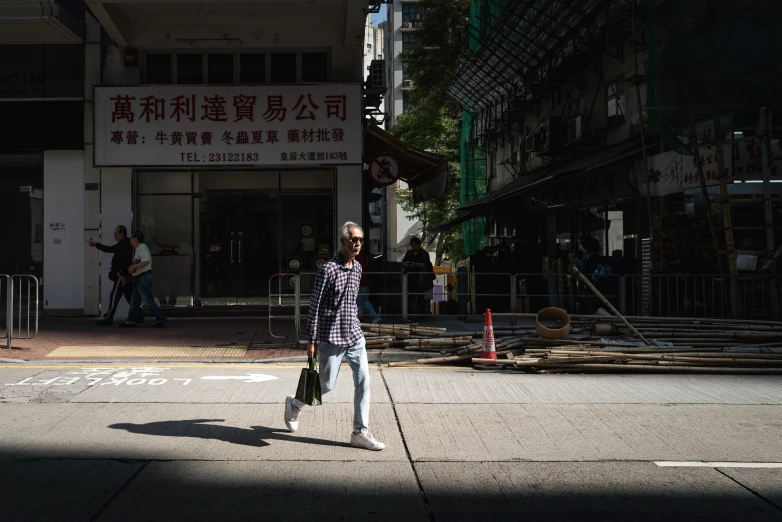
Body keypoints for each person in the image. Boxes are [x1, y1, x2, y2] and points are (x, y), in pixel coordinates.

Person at [284, 221, 385, 451]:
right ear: (343, 242)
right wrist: (312, 340)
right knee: (325, 386)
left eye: (360, 239)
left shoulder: (358, 268)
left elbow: (352, 302)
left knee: (364, 382)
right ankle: (294, 404)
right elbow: (314, 306)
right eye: (353, 239)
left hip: (354, 335)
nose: (357, 243)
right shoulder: (328, 269)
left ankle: (360, 432)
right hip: (331, 336)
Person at [120, 231, 168, 328]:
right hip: (139, 279)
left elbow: (146, 261)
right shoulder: (139, 248)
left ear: (136, 239)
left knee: (147, 301)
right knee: (134, 301)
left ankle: (162, 318)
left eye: (131, 238)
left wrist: (133, 267)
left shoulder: (141, 247)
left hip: (143, 278)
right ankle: (130, 321)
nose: (130, 240)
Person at [89, 225, 133, 326]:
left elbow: (117, 256)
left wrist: (119, 274)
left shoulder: (123, 245)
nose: (114, 235)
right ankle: (138, 316)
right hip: (125, 275)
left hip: (122, 276)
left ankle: (109, 318)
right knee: (129, 297)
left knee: (114, 296)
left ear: (122, 234)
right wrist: (97, 244)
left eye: (116, 233)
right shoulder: (124, 244)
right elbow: (111, 249)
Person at [401, 237, 435, 317]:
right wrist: (408, 265)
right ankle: (407, 314)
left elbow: (424, 264)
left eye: (415, 246)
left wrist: (415, 264)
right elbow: (403, 262)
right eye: (412, 246)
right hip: (410, 276)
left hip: (420, 277)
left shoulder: (424, 253)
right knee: (408, 295)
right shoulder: (409, 252)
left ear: (419, 245)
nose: (414, 248)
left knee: (420, 296)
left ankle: (422, 314)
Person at [355, 246, 381, 323]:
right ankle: (374, 310)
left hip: (360, 281)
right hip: (364, 281)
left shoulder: (359, 255)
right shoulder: (365, 255)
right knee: (361, 300)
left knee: (362, 301)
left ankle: (375, 315)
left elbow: (357, 267)